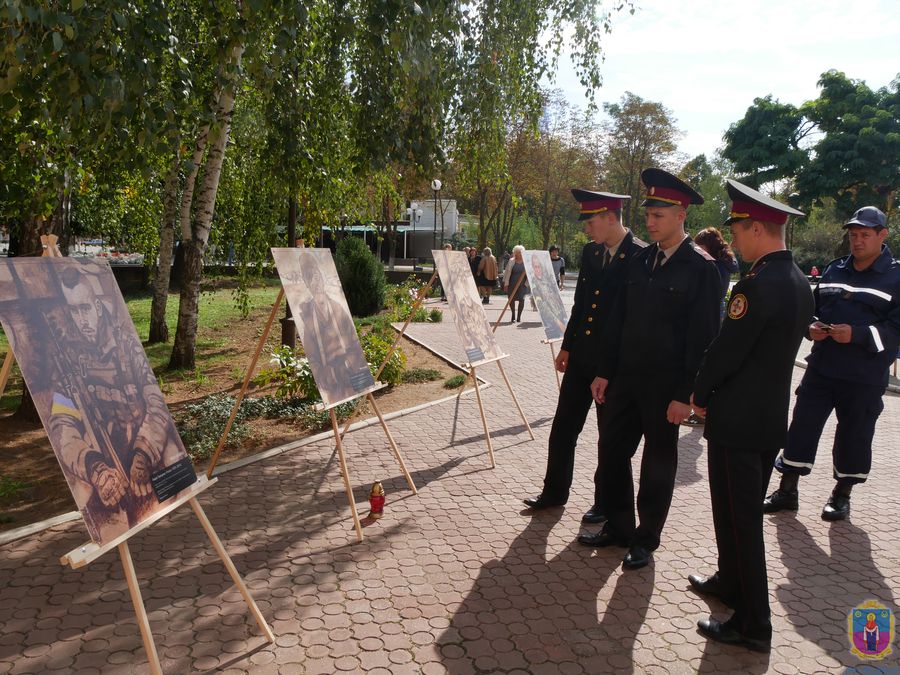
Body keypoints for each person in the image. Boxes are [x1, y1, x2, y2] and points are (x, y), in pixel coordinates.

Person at [687, 179, 813, 653]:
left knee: (741, 521)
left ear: (756, 227)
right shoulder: (799, 281)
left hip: (738, 422)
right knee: (733, 514)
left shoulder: (757, 285)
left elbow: (728, 350)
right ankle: (729, 583)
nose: (734, 238)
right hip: (766, 421)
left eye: (737, 229)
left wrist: (700, 392)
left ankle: (753, 623)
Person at [581, 168, 721, 571]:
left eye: (660, 214)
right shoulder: (640, 260)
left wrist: (686, 395)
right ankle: (621, 527)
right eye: (649, 214)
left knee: (658, 464)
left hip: (665, 388)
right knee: (611, 453)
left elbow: (704, 340)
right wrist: (604, 371)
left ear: (682, 214)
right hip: (625, 379)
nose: (651, 221)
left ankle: (646, 539)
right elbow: (617, 321)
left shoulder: (701, 268)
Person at [763, 206, 900, 521]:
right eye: (853, 235)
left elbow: (896, 331)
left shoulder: (896, 277)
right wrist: (810, 326)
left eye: (865, 235)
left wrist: (858, 334)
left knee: (855, 435)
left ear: (882, 235)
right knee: (801, 428)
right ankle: (788, 491)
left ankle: (841, 495)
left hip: (864, 376)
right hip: (822, 369)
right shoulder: (835, 269)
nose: (857, 241)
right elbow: (813, 310)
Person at [523, 190, 644, 523]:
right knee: (563, 428)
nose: (587, 230)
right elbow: (582, 306)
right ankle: (554, 491)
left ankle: (604, 501)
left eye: (591, 222)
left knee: (610, 440)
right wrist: (567, 346)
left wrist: (609, 366)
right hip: (582, 359)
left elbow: (632, 320)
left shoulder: (640, 256)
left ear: (609, 217)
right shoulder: (592, 253)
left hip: (614, 366)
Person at [49, 265, 184, 538]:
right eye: (74, 311)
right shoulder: (65, 361)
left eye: (85, 308)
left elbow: (155, 403)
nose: (82, 318)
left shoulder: (126, 345)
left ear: (97, 307)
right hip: (104, 457)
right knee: (95, 509)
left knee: (177, 471)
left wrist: (143, 453)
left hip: (147, 441)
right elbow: (62, 424)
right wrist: (94, 467)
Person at [502, 246, 529, 323]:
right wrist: (505, 284)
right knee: (511, 299)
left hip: (522, 284)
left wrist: (527, 283)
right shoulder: (511, 261)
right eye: (516, 252)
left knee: (521, 299)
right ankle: (513, 315)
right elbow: (506, 273)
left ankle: (519, 317)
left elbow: (530, 273)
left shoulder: (526, 262)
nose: (517, 254)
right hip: (512, 283)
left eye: (519, 253)